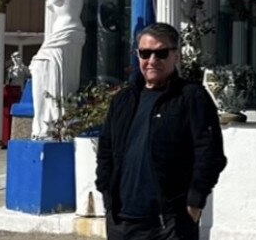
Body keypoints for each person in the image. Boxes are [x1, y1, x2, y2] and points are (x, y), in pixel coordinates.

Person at [96, 21, 226, 240]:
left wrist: (195, 201)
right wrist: (106, 192)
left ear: (176, 56)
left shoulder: (191, 97)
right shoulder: (123, 100)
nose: (152, 61)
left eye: (161, 53)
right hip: (122, 221)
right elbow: (106, 148)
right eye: (145, 53)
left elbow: (209, 153)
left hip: (169, 223)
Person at [29, 0, 86, 138]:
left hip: (66, 33)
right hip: (62, 34)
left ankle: (55, 120)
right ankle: (49, 121)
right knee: (41, 70)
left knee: (44, 69)